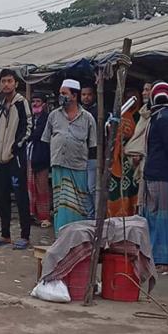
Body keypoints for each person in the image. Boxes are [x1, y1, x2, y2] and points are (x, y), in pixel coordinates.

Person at [42, 79, 97, 234]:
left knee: (78, 204)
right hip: (58, 165)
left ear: (74, 95)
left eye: (64, 93)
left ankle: (77, 236)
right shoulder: (53, 116)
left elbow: (92, 145)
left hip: (78, 167)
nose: (61, 96)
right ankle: (61, 235)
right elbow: (46, 139)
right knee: (60, 203)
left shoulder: (88, 118)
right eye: (60, 93)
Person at [0, 69, 33, 249]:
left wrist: (16, 147)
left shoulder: (22, 103)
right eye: (3, 81)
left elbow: (28, 128)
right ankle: (5, 234)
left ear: (16, 83)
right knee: (2, 197)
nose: (6, 84)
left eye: (9, 81)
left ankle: (25, 236)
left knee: (21, 197)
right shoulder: (0, 106)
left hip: (16, 159)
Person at [143, 82, 168, 272]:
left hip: (159, 173)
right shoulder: (162, 116)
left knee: (160, 215)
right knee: (159, 215)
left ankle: (163, 258)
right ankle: (158, 256)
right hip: (159, 173)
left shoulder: (161, 117)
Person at [107, 88, 141, 217]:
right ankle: (115, 217)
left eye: (133, 97)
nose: (130, 100)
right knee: (116, 189)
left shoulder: (140, 117)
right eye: (127, 97)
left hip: (133, 159)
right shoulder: (117, 116)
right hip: (116, 158)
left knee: (132, 189)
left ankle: (131, 217)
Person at [125, 81, 155, 208]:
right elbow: (138, 137)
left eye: (147, 90)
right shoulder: (144, 113)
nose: (144, 93)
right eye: (143, 90)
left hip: (153, 162)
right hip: (140, 161)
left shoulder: (158, 114)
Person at [27, 92, 52, 228]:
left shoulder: (47, 119)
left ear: (44, 104)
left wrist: (29, 135)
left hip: (42, 157)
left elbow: (37, 135)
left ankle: (44, 217)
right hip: (30, 157)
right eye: (33, 101)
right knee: (30, 188)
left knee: (42, 189)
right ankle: (32, 215)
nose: (35, 104)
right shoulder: (30, 119)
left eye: (38, 101)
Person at [81, 83, 98, 217]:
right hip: (80, 156)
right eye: (83, 94)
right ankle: (90, 216)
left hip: (94, 155)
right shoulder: (78, 112)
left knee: (92, 188)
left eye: (89, 94)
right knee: (84, 189)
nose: (86, 97)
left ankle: (97, 216)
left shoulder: (98, 112)